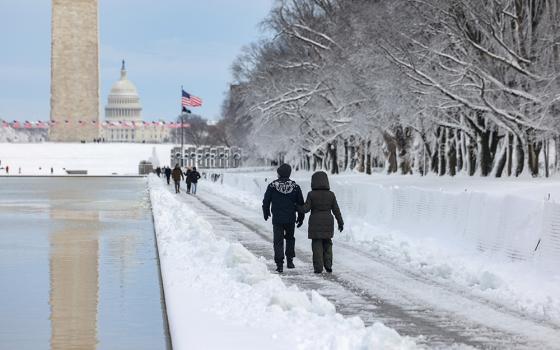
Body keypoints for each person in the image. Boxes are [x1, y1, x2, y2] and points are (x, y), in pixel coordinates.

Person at [297, 171, 343, 274]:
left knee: (317, 244)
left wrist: (297, 207)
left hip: (315, 222)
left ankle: (318, 268)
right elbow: (336, 209)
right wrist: (340, 222)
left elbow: (306, 209)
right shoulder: (331, 195)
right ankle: (328, 265)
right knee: (327, 243)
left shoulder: (311, 194)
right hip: (328, 221)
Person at [262, 164, 305, 273]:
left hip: (277, 219)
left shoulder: (272, 186)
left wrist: (266, 212)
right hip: (290, 218)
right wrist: (301, 217)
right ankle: (290, 261)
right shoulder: (295, 187)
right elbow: (300, 203)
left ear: (279, 173)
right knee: (290, 239)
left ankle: (279, 264)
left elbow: (266, 201)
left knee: (278, 241)